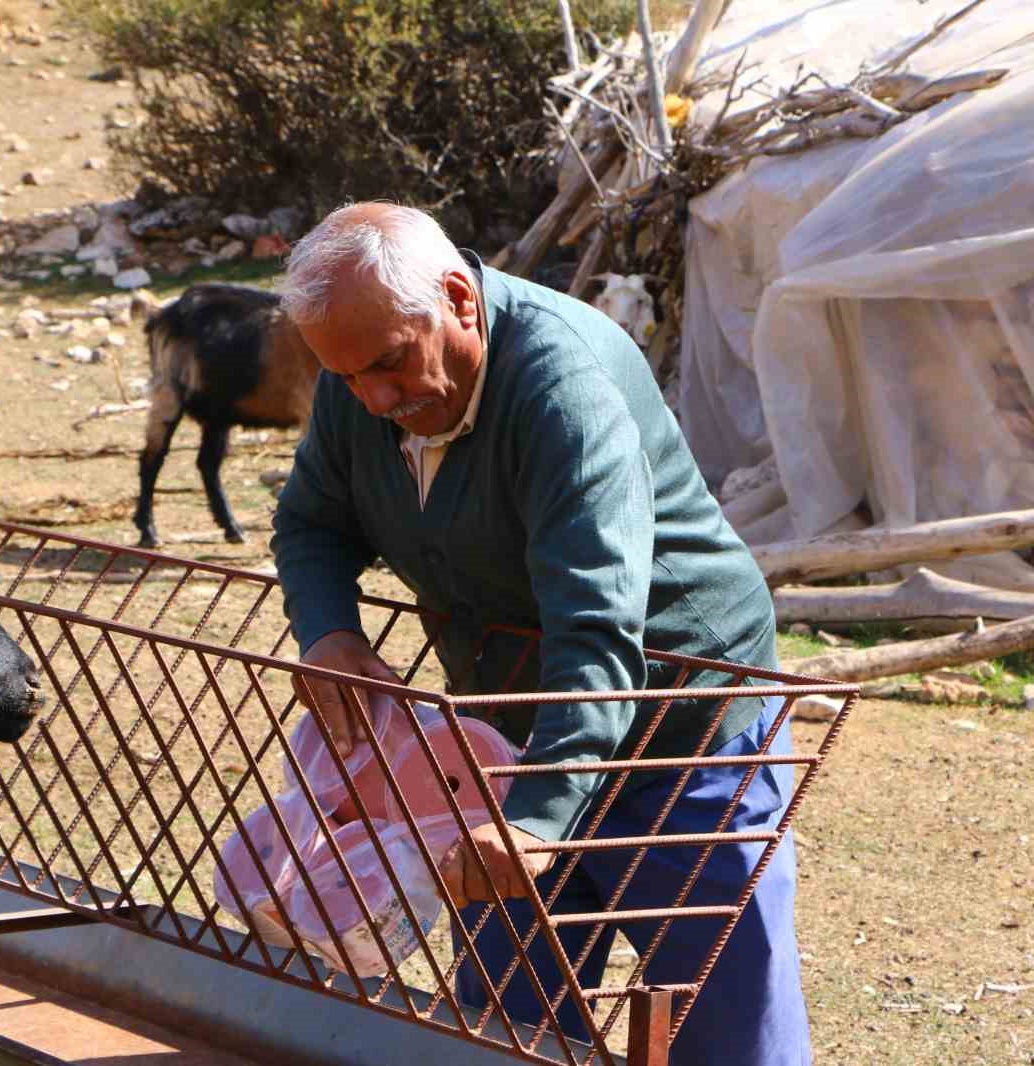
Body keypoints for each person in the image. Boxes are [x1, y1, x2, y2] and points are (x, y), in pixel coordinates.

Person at [270, 202, 810, 1066]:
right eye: (347, 377)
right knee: (507, 1015)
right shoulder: (361, 385)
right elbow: (309, 524)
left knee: (722, 1002)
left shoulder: (564, 387)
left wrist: (541, 820)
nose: (376, 398)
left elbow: (595, 628)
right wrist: (328, 632)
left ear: (459, 299)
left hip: (680, 720)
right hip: (512, 725)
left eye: (391, 365)